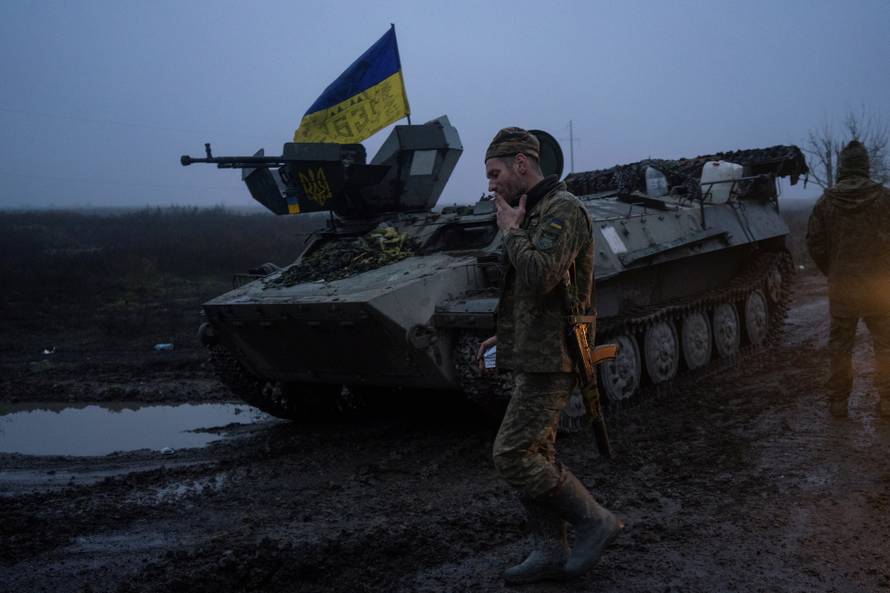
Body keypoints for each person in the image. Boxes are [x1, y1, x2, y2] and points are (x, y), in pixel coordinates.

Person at [477, 127, 622, 584]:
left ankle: (594, 520)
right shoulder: (533, 210)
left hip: (555, 354)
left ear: (521, 163)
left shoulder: (564, 209)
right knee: (535, 450)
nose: (491, 184)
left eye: (495, 173)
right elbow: (531, 292)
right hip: (533, 350)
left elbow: (541, 274)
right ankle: (550, 549)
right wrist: (504, 335)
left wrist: (510, 232)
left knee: (512, 454)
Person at [806, 139, 890, 419]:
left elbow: (815, 243)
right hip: (879, 286)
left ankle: (838, 402)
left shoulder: (826, 202)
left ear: (843, 166)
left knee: (840, 347)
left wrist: (834, 270)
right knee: (886, 344)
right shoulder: (885, 199)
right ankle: (888, 401)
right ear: (865, 165)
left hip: (843, 286)